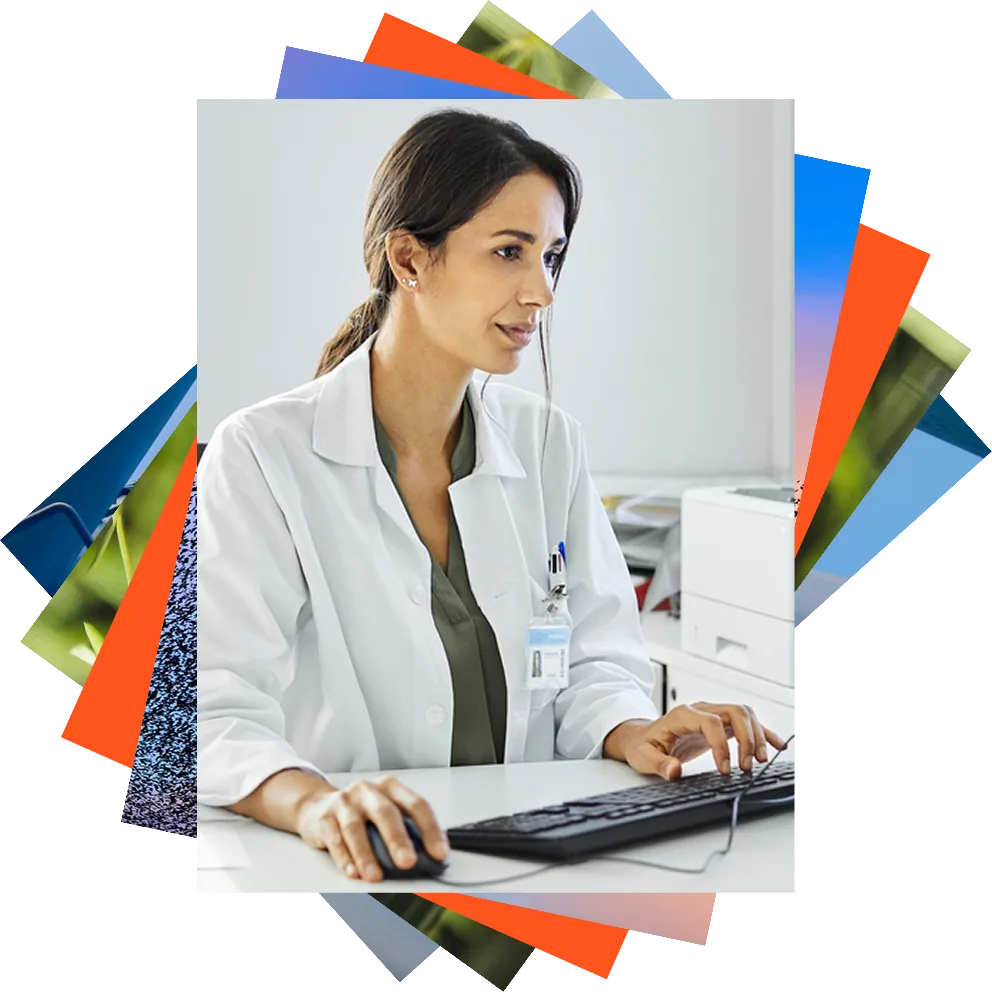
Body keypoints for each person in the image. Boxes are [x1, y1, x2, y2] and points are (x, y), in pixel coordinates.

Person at [197, 109, 788, 885]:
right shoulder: (262, 454)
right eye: (510, 251)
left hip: (529, 849)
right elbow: (213, 706)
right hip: (351, 864)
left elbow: (596, 656)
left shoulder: (548, 442)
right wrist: (315, 804)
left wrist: (630, 727)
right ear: (409, 259)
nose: (541, 292)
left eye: (551, 256)